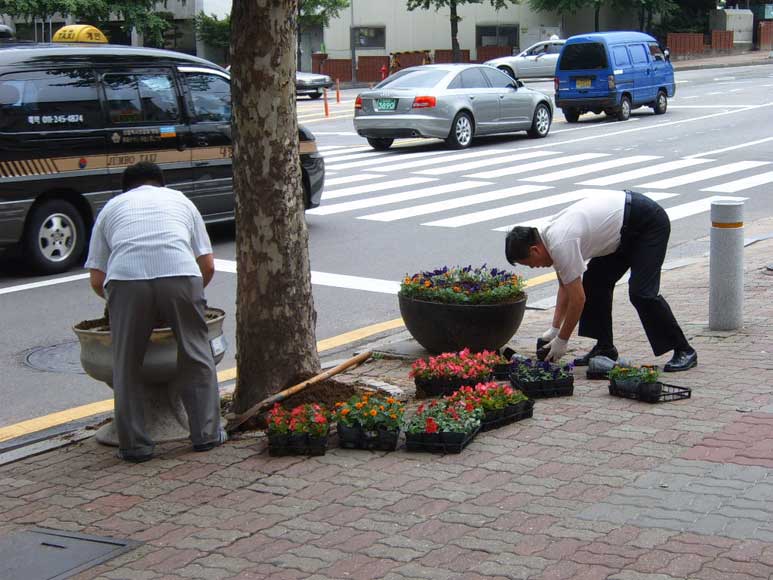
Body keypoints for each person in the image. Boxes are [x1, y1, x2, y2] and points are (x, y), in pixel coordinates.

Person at [85, 161, 225, 462]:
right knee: (196, 352)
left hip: (126, 279)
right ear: (161, 183)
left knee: (125, 364)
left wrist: (122, 306)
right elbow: (208, 264)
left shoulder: (112, 207)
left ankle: (134, 446)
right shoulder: (180, 200)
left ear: (127, 188)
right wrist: (188, 298)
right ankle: (207, 434)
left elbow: (97, 279)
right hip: (180, 272)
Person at [505, 190, 697, 372]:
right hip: (622, 231)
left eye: (530, 264)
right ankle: (605, 348)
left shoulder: (559, 242)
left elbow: (577, 299)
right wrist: (554, 330)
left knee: (641, 293)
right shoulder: (547, 238)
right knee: (594, 282)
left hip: (647, 223)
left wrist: (562, 340)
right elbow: (565, 285)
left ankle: (684, 350)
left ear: (534, 250)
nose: (534, 268)